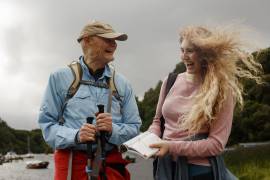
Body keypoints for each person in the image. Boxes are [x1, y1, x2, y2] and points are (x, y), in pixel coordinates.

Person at [148, 25, 263, 180]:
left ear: (205, 54)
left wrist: (171, 147)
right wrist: (150, 140)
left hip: (200, 172)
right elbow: (157, 121)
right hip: (167, 168)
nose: (184, 56)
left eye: (190, 51)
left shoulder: (222, 90)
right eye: (182, 50)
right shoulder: (170, 81)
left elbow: (216, 144)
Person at [38, 20, 141, 180]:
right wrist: (76, 135)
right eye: (108, 39)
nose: (114, 45)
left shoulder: (123, 84)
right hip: (73, 166)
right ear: (87, 40)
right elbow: (47, 126)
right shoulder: (59, 77)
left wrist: (113, 129)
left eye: (115, 41)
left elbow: (134, 128)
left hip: (112, 166)